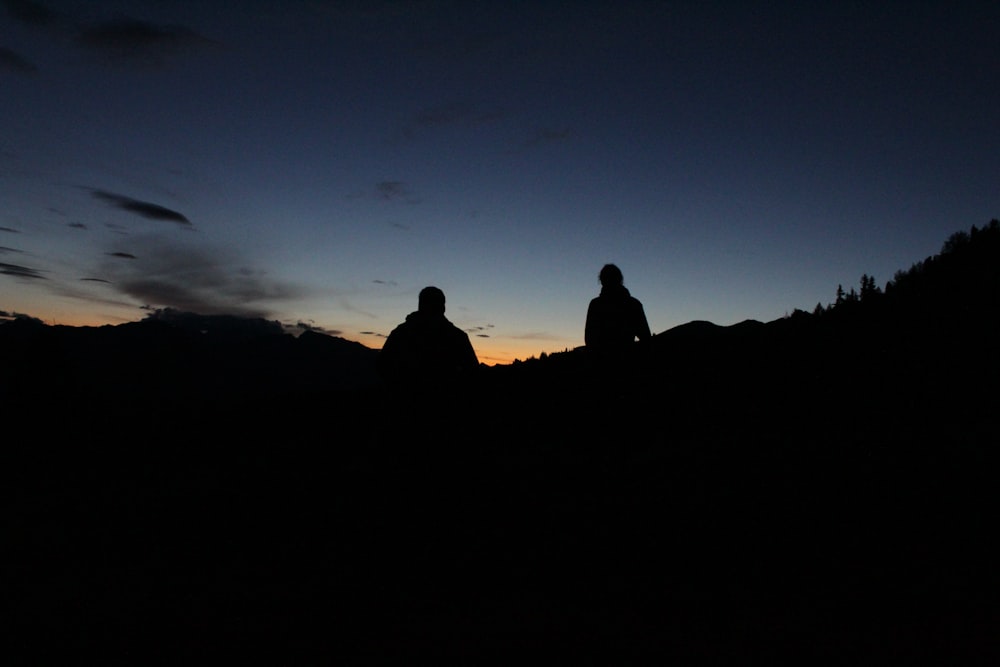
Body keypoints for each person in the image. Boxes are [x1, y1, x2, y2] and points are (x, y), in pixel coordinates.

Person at [377, 286, 480, 394]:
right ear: (443, 308)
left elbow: (382, 366)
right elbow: (473, 374)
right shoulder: (457, 337)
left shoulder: (401, 333)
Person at [585, 263, 651, 351]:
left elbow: (589, 339)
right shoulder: (633, 304)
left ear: (601, 281)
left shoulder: (595, 305)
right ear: (620, 280)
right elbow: (645, 336)